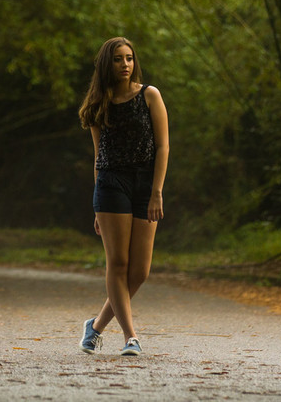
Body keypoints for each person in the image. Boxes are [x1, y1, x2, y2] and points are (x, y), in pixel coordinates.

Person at [76, 36, 169, 357]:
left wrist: (157, 191)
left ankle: (96, 326)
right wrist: (96, 206)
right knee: (118, 263)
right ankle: (131, 337)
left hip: (146, 184)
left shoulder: (149, 95)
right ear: (107, 63)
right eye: (118, 59)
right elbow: (99, 156)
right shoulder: (98, 105)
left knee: (139, 271)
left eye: (129, 58)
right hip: (111, 185)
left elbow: (162, 147)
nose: (125, 64)